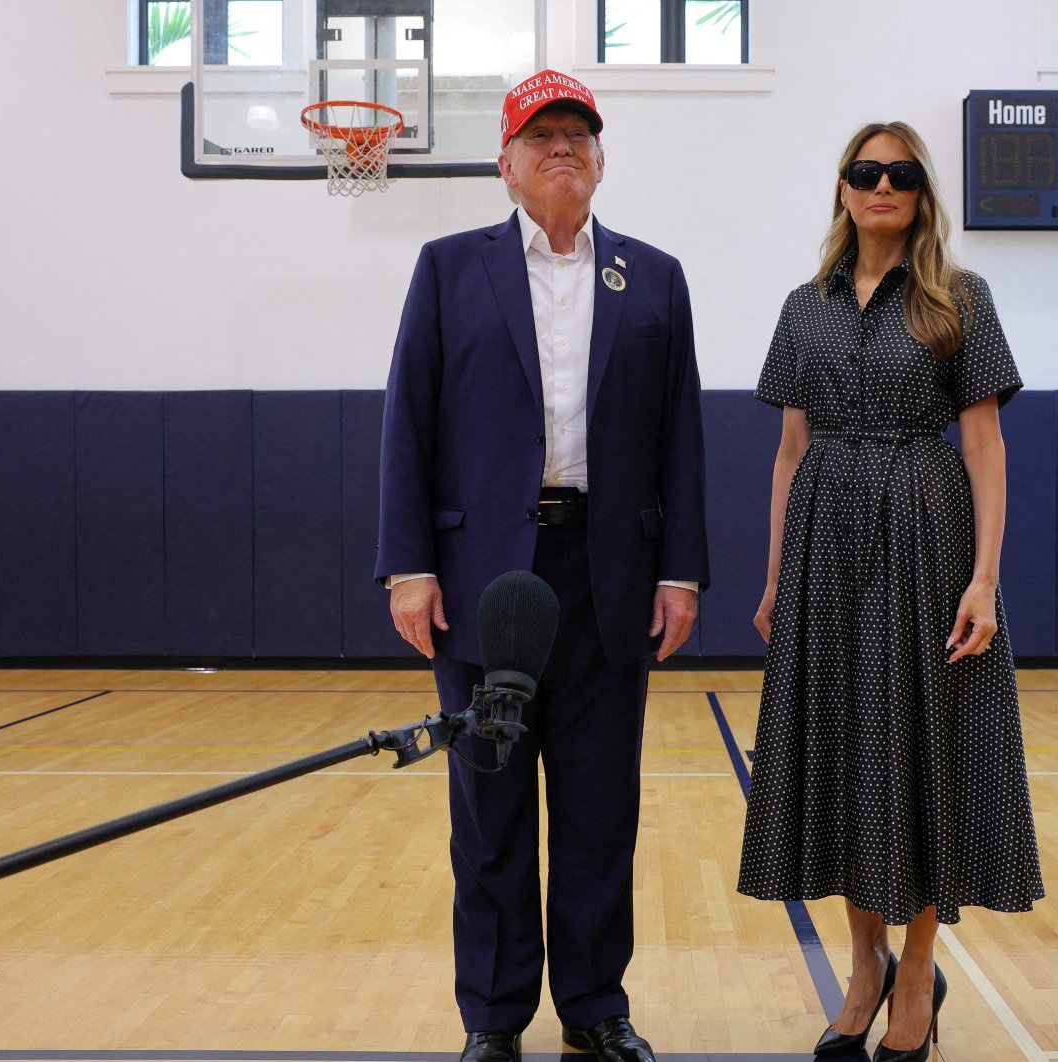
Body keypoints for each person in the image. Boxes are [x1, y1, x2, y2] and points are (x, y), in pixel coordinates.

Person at [375, 69, 709, 1062]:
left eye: (579, 133)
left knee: (601, 811)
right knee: (489, 817)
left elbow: (679, 435)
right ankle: (493, 1015)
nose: (562, 146)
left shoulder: (652, 278)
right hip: (486, 581)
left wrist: (679, 569)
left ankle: (596, 1006)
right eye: (541, 134)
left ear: (600, 162)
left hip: (608, 574)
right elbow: (409, 419)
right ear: (506, 163)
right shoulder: (447, 270)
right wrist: (407, 564)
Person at [737, 121, 1044, 1062]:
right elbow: (791, 450)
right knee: (842, 749)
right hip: (827, 539)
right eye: (864, 172)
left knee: (920, 748)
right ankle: (862, 965)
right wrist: (776, 573)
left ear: (921, 192)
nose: (881, 185)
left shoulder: (961, 299)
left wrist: (985, 580)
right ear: (842, 188)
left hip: (926, 531)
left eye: (899, 174)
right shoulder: (804, 306)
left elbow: (985, 445)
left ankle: (917, 971)